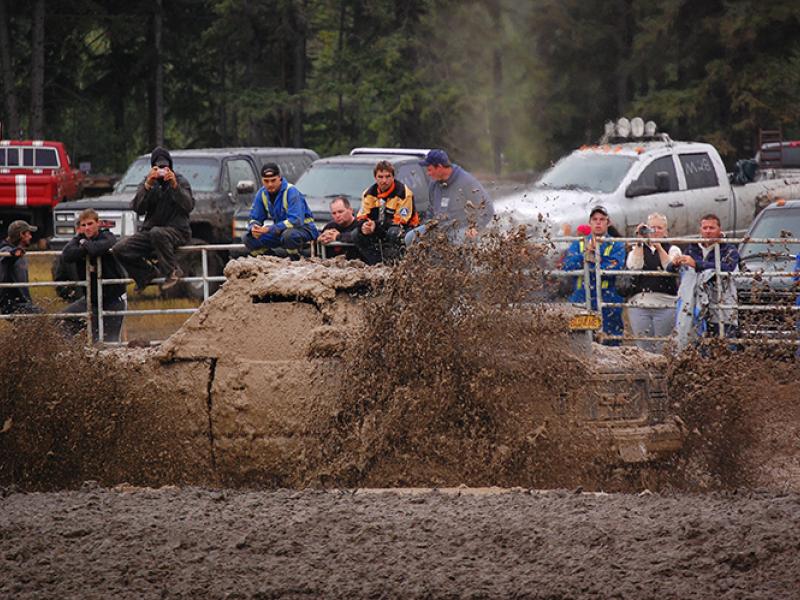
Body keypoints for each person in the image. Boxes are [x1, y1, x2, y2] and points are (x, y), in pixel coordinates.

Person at [113, 146, 194, 291]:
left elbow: (189, 206)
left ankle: (173, 271)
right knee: (120, 249)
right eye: (158, 167)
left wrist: (175, 187)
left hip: (177, 231)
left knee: (157, 232)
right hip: (151, 233)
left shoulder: (180, 181)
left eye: (165, 167)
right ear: (152, 168)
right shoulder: (148, 183)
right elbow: (138, 208)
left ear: (170, 167)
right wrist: (147, 186)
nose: (162, 171)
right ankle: (145, 275)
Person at [670, 213, 740, 347]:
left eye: (712, 228)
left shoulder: (729, 249)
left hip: (722, 303)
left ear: (720, 230)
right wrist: (675, 262)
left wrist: (697, 264)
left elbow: (729, 267)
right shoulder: (692, 248)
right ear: (700, 230)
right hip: (695, 304)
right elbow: (670, 269)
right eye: (705, 228)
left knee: (725, 344)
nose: (708, 231)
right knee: (698, 345)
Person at [60, 209, 127, 342]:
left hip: (113, 299)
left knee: (109, 340)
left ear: (98, 223)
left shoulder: (107, 236)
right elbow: (66, 254)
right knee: (61, 319)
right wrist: (84, 245)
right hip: (91, 299)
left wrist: (84, 244)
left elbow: (97, 249)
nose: (87, 228)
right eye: (83, 225)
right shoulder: (78, 238)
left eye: (90, 224)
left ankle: (109, 359)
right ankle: (75, 350)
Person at [561, 206, 625, 345]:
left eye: (602, 219)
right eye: (595, 219)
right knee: (579, 341)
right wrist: (586, 254)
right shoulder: (579, 243)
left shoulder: (616, 244)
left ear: (608, 223)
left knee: (610, 342)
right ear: (590, 223)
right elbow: (568, 266)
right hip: (581, 298)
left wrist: (593, 258)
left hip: (608, 298)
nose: (598, 222)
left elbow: (616, 265)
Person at [406, 149, 493, 245]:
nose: (428, 173)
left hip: (461, 228)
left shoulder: (466, 181)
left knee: (456, 241)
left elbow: (487, 208)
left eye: (429, 169)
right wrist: (427, 224)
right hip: (439, 226)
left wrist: (476, 228)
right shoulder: (433, 184)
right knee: (410, 238)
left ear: (439, 167)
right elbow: (431, 209)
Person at [625, 213, 682, 353]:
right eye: (651, 228)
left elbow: (670, 268)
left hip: (666, 304)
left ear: (666, 232)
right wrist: (639, 241)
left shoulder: (673, 249)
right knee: (643, 348)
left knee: (664, 347)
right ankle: (646, 374)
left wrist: (659, 248)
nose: (655, 231)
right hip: (639, 305)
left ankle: (663, 374)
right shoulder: (636, 249)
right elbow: (634, 267)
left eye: (659, 228)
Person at [243, 163, 318, 260]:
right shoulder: (261, 194)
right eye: (266, 181)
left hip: (304, 229)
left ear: (280, 178)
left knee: (289, 235)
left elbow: (295, 221)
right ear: (262, 181)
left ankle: (296, 260)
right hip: (280, 231)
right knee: (247, 238)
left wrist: (270, 229)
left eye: (273, 180)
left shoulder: (291, 191)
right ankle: (271, 261)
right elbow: (255, 217)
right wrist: (254, 228)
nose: (270, 184)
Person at [355, 160, 419, 265]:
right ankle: (375, 264)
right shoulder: (368, 193)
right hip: (379, 226)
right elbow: (361, 216)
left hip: (406, 227)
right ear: (375, 178)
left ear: (393, 177)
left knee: (394, 233)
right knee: (357, 234)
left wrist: (376, 225)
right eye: (380, 177)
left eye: (388, 176)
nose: (384, 181)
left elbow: (401, 221)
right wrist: (364, 225)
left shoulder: (404, 193)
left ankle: (395, 263)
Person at [0, 220, 41, 315]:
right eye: (28, 234)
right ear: (22, 234)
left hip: (21, 302)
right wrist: (13, 254)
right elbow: (5, 258)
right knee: (43, 318)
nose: (30, 237)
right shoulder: (5, 250)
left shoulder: (19, 250)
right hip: (12, 303)